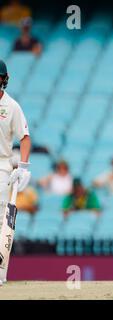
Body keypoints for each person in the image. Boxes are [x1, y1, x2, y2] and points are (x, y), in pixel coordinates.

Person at [0, 59, 31, 285]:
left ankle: (0, 272)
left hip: (2, 166)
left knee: (3, 221)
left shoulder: (11, 106)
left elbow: (24, 137)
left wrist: (24, 166)